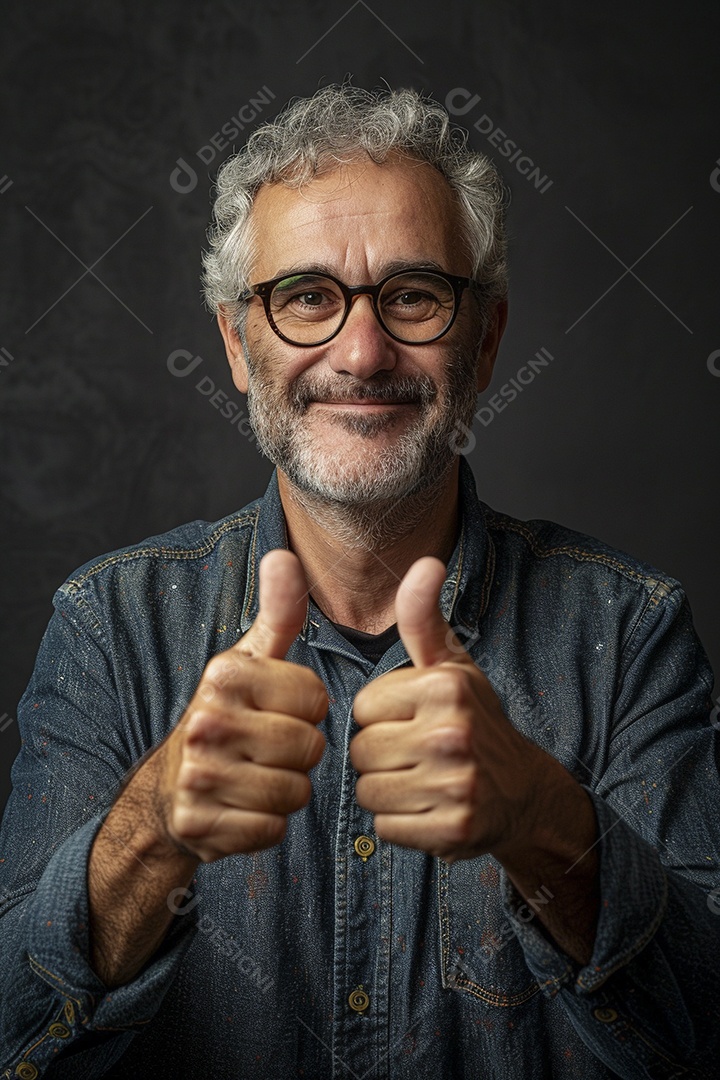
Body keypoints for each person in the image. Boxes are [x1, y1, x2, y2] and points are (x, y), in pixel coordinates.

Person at [0, 84, 717, 1080]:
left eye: (413, 294)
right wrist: (151, 831)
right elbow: (13, 1033)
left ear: (488, 338)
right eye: (306, 297)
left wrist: (545, 822)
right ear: (237, 345)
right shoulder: (107, 626)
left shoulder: (634, 632)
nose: (362, 350)